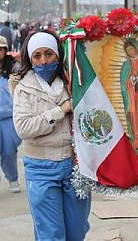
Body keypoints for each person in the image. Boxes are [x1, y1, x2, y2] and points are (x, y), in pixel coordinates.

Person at [12, 31, 91, 241]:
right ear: (30, 59)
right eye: (37, 56)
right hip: (41, 169)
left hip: (75, 167)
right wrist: (61, 110)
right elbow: (24, 128)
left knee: (77, 231)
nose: (44, 61)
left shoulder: (72, 81)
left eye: (49, 54)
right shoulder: (23, 89)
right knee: (51, 235)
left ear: (58, 55)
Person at [0, 35, 21, 193]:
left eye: (1, 49)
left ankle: (12, 178)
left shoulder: (14, 67)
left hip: (9, 116)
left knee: (9, 150)